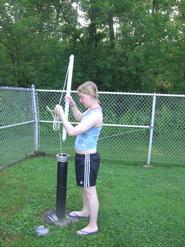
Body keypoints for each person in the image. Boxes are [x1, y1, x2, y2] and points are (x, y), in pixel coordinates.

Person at [54, 81, 103, 236]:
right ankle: (85, 211)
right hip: (83, 157)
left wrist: (61, 114)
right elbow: (78, 118)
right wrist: (73, 105)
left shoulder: (96, 114)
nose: (80, 100)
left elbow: (72, 131)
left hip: (89, 158)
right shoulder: (90, 111)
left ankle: (93, 225)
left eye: (81, 97)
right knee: (85, 188)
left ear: (90, 95)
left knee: (90, 191)